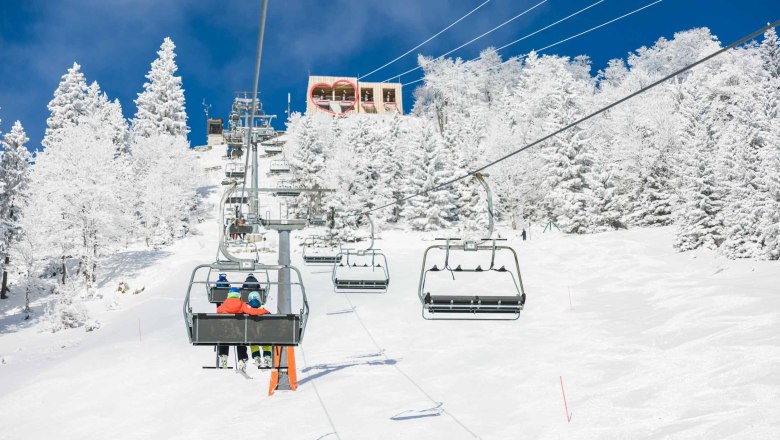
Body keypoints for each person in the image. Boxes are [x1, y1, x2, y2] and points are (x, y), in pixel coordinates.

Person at [216, 287, 270, 370]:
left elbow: (217, 312)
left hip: (226, 333)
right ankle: (242, 359)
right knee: (241, 338)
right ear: (239, 296)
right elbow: (252, 311)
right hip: (238, 333)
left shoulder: (223, 305)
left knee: (224, 335)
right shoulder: (241, 304)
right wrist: (265, 311)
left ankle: (224, 355)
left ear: (229, 295)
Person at [246, 291, 274, 367]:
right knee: (267, 338)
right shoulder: (265, 312)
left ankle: (256, 357)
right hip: (264, 336)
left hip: (252, 336)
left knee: (252, 339)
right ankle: (267, 357)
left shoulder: (247, 312)